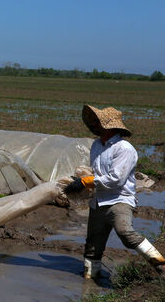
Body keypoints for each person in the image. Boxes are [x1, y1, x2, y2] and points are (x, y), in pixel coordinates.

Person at [64, 105, 165, 279]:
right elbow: (97, 173)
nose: (94, 126)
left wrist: (87, 181)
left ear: (110, 126)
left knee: (125, 233)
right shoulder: (96, 145)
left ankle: (160, 265)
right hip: (98, 201)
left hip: (119, 199)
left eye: (98, 122)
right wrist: (83, 180)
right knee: (92, 246)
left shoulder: (124, 149)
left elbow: (116, 179)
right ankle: (90, 280)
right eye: (94, 122)